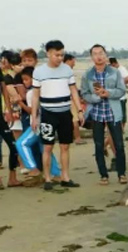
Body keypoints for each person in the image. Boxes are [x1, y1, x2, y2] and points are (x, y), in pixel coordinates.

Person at [31, 40, 84, 190]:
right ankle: (47, 178)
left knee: (65, 146)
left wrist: (79, 110)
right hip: (48, 113)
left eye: (62, 55)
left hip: (65, 113)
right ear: (48, 53)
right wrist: (34, 117)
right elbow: (35, 96)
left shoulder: (67, 70)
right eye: (56, 55)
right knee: (47, 147)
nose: (59, 58)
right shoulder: (39, 72)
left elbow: (73, 90)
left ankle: (65, 177)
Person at [81, 44, 128, 185]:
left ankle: (122, 173)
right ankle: (103, 175)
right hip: (96, 114)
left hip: (113, 112)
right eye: (95, 54)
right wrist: (96, 98)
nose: (98, 56)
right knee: (99, 145)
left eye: (101, 53)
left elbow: (122, 90)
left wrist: (108, 93)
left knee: (119, 144)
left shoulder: (115, 72)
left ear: (105, 55)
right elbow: (84, 94)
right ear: (91, 57)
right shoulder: (87, 74)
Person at [16, 66, 62, 181]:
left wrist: (19, 103)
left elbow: (32, 111)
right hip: (46, 123)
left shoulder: (31, 93)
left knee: (21, 143)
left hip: (37, 125)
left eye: (26, 79)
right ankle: (56, 173)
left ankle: (33, 168)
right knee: (45, 149)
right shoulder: (43, 90)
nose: (24, 82)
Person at [109, 57, 128, 128]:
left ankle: (122, 128)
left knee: (122, 113)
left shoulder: (121, 69)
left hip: (121, 97)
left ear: (114, 63)